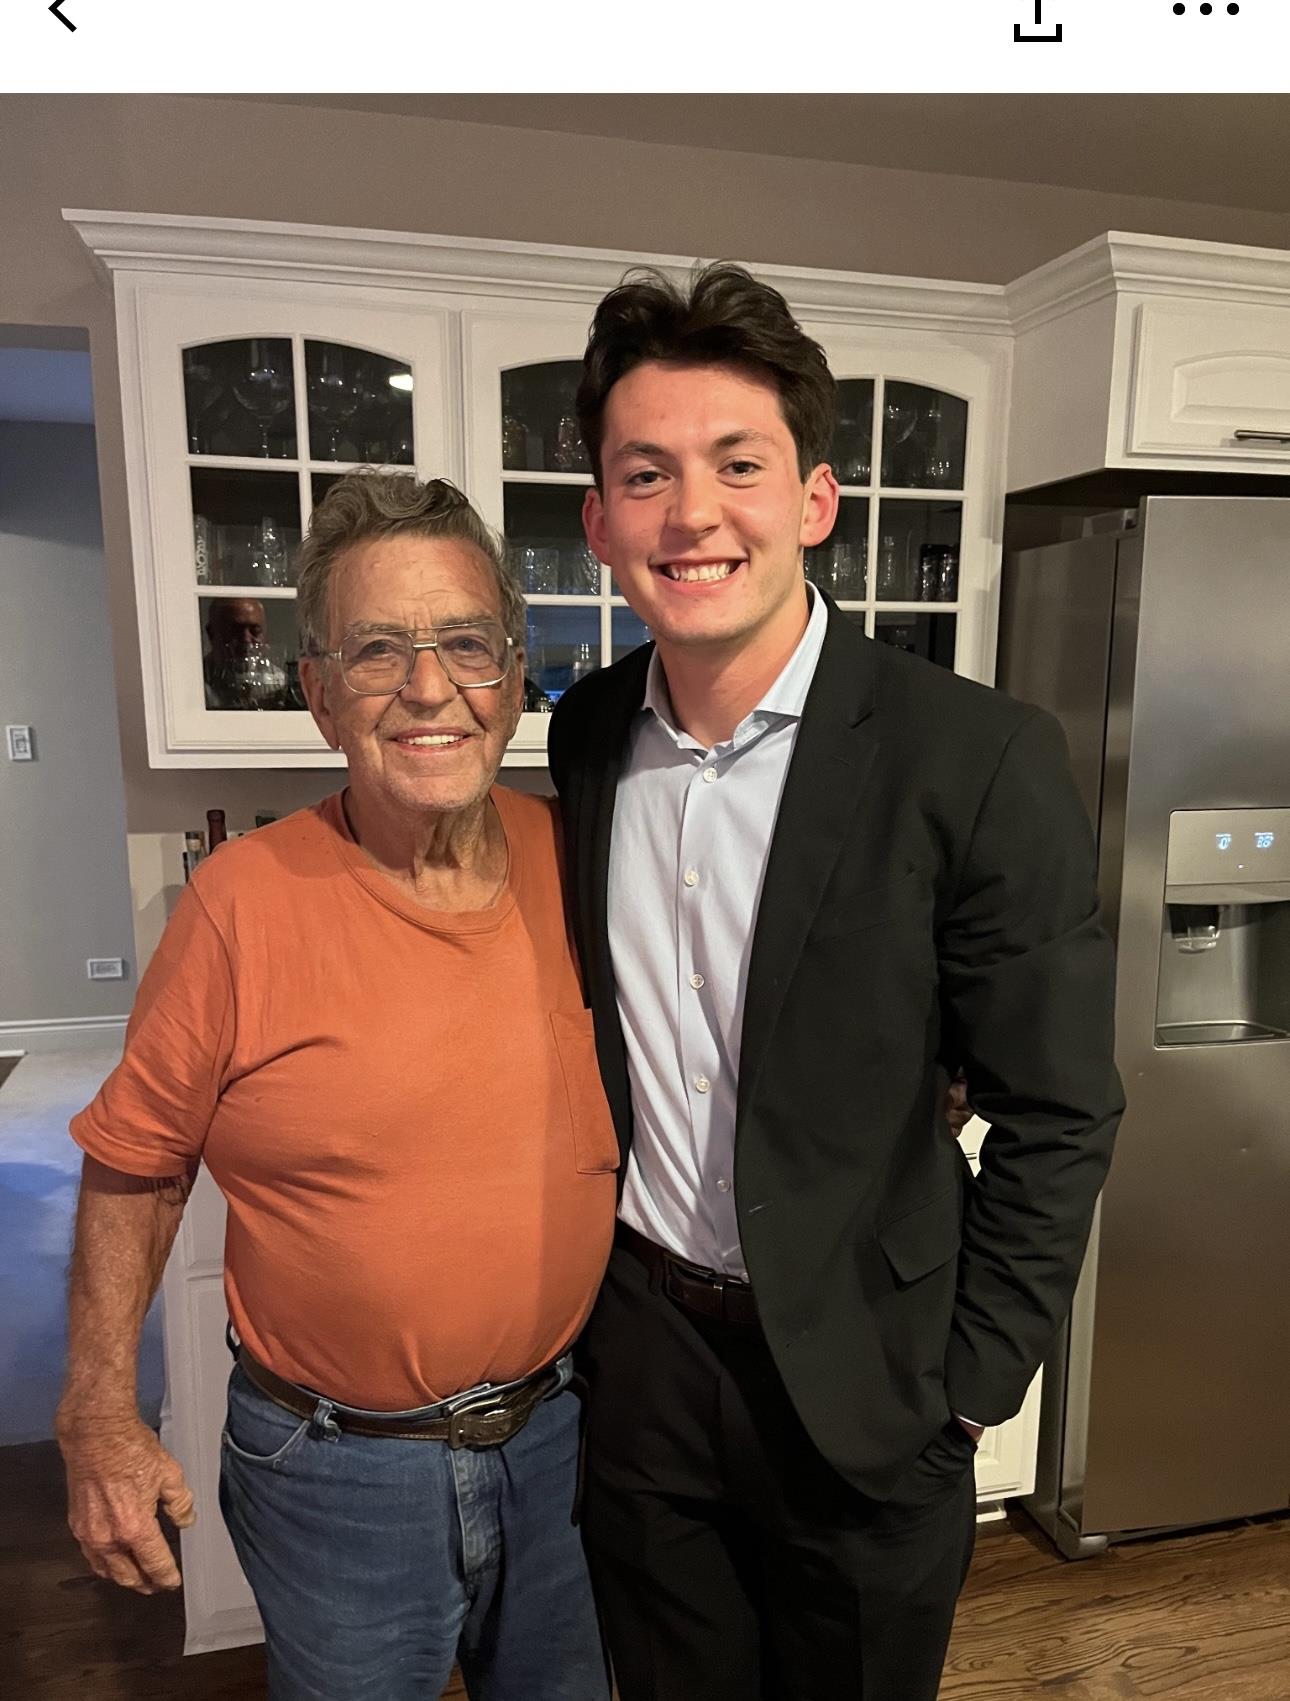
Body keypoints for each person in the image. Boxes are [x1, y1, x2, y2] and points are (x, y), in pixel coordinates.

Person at [547, 264, 1125, 1701]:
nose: (693, 513)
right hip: (647, 1366)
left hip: (875, 1381)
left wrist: (969, 1388)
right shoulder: (584, 737)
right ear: (599, 522)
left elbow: (1058, 1108)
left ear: (813, 499)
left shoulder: (970, 756)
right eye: (647, 474)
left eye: (736, 466)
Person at [57, 474, 616, 1701]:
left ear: (515, 677)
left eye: (465, 643)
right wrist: (97, 1411)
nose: (430, 688)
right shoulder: (239, 907)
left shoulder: (583, 859)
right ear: (318, 697)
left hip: (566, 1442)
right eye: (377, 651)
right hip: (337, 1475)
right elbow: (136, 1165)